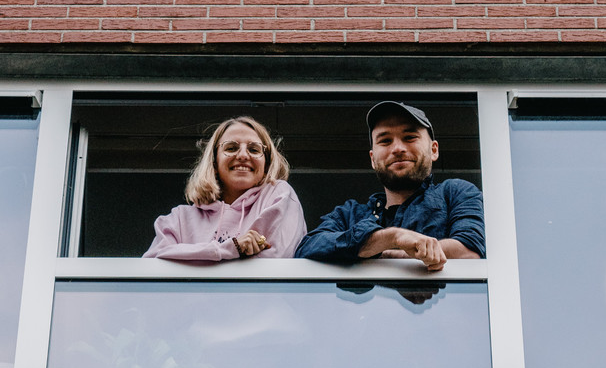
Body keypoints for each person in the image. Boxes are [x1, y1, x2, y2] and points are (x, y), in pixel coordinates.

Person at [295, 100, 484, 270]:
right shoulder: (349, 215)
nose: (398, 149)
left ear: (434, 150)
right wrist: (393, 237)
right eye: (385, 141)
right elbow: (308, 248)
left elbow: (469, 252)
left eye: (410, 137)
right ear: (372, 159)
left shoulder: (455, 193)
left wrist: (384, 254)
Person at [145, 115, 307, 262]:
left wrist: (191, 258)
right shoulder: (179, 219)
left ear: (266, 164)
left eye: (254, 149)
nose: (243, 155)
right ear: (214, 162)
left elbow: (275, 260)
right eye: (231, 148)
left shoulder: (278, 195)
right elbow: (154, 264)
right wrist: (230, 248)